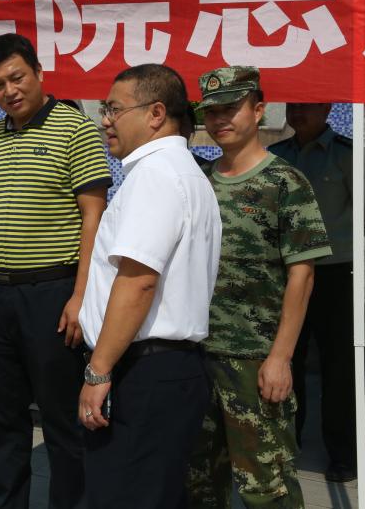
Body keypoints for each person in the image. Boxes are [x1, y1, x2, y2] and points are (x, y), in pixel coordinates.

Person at [0, 32, 112, 509]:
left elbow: (94, 216)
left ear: (39, 73)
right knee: (0, 415)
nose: (9, 91)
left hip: (53, 292)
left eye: (17, 78)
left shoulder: (75, 129)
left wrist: (81, 295)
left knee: (63, 418)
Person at [77, 64, 221, 508]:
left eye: (114, 110)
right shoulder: (183, 172)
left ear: (156, 113)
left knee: (122, 495)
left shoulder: (156, 175)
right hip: (166, 369)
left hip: (144, 370)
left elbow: (138, 281)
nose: (105, 121)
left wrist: (98, 370)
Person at [187, 67, 332, 508]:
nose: (220, 119)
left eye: (231, 108)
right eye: (212, 111)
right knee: (198, 485)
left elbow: (302, 275)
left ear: (258, 110)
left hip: (255, 360)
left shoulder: (285, 183)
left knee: (266, 489)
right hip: (196, 356)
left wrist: (281, 358)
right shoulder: (198, 181)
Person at [269, 103, 356, 482]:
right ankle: (288, 445)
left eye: (307, 106)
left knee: (340, 366)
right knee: (286, 359)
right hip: (287, 274)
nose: (298, 112)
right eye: (293, 106)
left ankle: (343, 455)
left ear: (327, 107)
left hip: (335, 273)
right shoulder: (276, 156)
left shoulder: (347, 154)